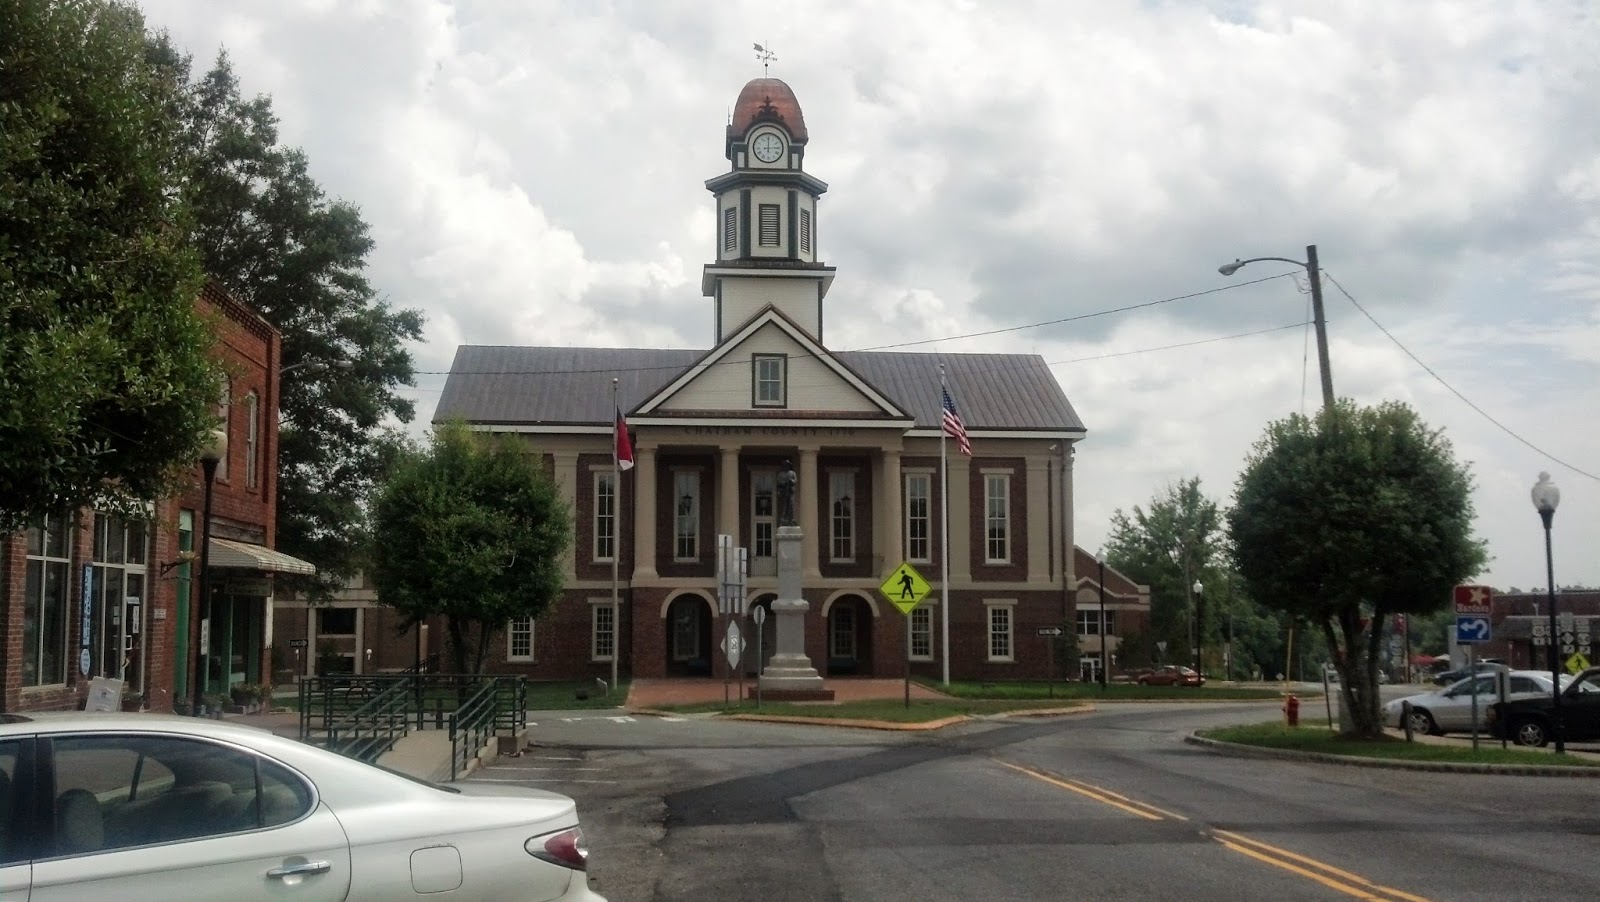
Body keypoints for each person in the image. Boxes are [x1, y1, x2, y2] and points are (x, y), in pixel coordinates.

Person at [776, 459, 797, 526]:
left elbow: (795, 481)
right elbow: (779, 482)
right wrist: (784, 483)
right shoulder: (780, 474)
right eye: (785, 465)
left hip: (790, 491)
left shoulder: (792, 473)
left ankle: (791, 518)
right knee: (784, 506)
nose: (786, 466)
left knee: (791, 505)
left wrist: (791, 481)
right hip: (784, 491)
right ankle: (783, 518)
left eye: (788, 465)